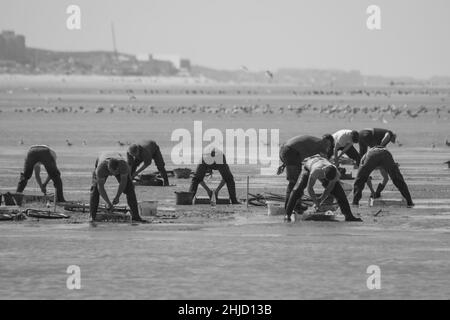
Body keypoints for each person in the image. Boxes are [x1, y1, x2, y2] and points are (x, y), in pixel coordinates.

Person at [284, 154, 362, 222]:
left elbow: (329, 188)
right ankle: (287, 214)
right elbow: (310, 188)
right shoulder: (316, 171)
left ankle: (349, 216)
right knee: (297, 189)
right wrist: (316, 202)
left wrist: (321, 200)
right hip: (309, 166)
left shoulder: (336, 174)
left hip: (325, 167)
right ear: (323, 172)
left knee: (339, 192)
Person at [277, 135, 333, 208]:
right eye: (329, 146)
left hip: (284, 150)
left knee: (296, 181)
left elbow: (296, 147)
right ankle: (290, 206)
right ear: (328, 143)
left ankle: (295, 204)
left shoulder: (316, 141)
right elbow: (325, 165)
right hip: (291, 152)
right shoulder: (322, 144)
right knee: (295, 182)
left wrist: (284, 164)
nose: (328, 148)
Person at [90, 152, 147, 222]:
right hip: (102, 158)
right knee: (95, 189)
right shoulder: (101, 169)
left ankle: (136, 216)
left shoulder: (123, 165)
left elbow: (123, 182)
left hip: (117, 158)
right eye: (112, 172)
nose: (114, 174)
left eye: (116, 172)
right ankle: (92, 216)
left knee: (129, 188)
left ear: (118, 168)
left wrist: (117, 197)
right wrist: (108, 203)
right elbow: (100, 187)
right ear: (108, 168)